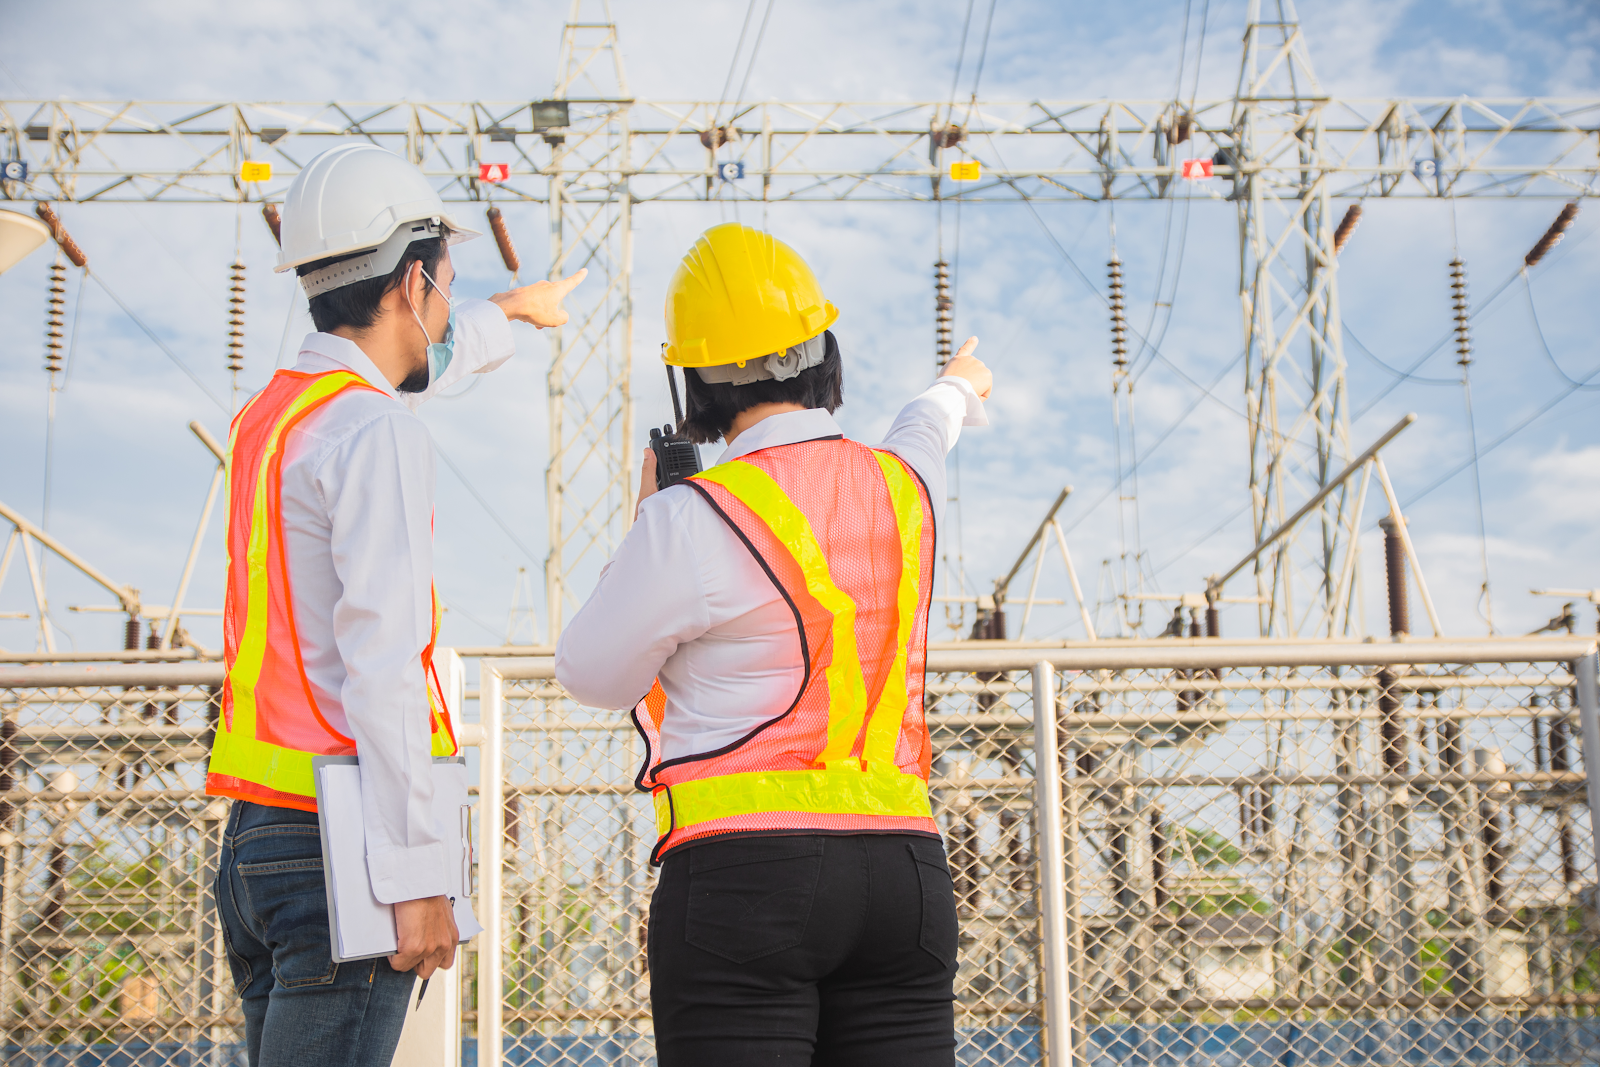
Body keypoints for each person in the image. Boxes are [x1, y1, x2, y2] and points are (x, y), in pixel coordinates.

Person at [556, 222, 993, 1066]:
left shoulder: (692, 515)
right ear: (823, 352)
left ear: (694, 384)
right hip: (904, 869)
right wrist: (957, 384)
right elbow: (925, 427)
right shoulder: (907, 486)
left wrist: (646, 519)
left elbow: (593, 674)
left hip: (744, 880)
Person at [205, 143, 584, 1066]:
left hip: (259, 840)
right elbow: (386, 659)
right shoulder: (374, 432)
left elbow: (427, 364)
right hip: (342, 844)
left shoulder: (278, 416)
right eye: (448, 286)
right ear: (413, 283)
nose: (447, 308)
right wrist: (419, 875)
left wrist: (509, 316)